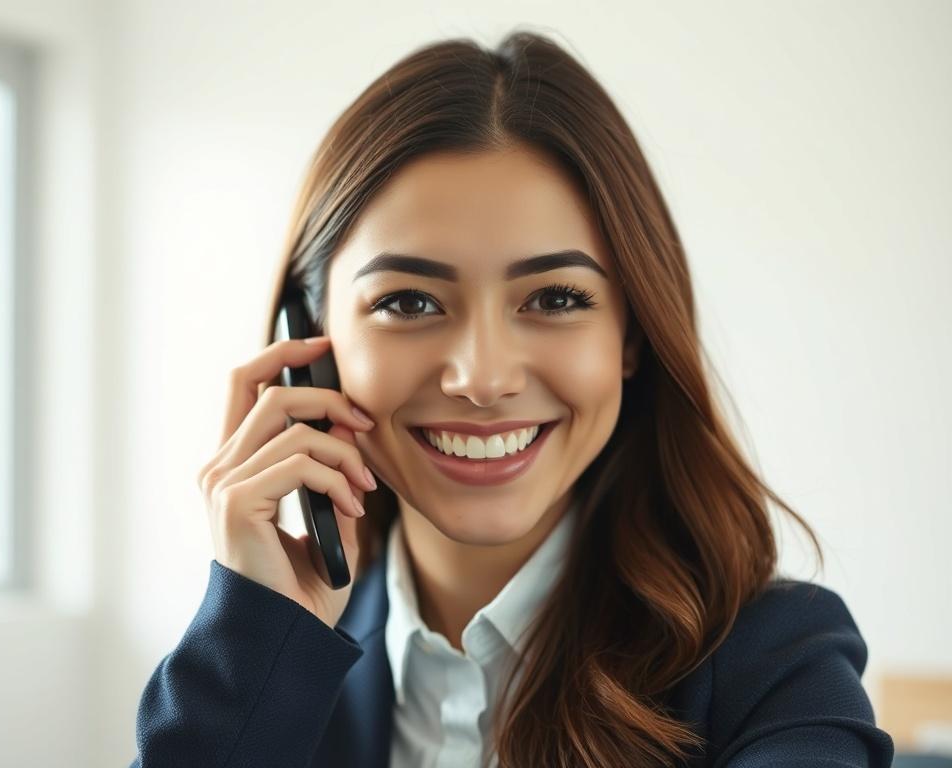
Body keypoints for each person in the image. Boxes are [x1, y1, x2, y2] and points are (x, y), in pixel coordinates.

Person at [129, 29, 895, 768]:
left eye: (556, 298)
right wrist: (257, 650)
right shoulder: (262, 674)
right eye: (408, 302)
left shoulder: (776, 666)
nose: (483, 378)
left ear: (631, 335)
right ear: (311, 343)